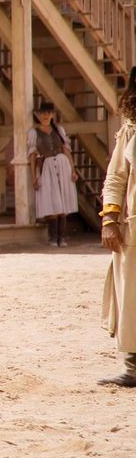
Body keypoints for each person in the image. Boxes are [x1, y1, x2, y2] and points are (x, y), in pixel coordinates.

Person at [101, 73, 136, 386]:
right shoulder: (130, 131)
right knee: (131, 299)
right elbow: (116, 177)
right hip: (134, 229)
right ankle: (133, 368)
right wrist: (110, 220)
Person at [30, 102, 76, 247]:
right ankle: (53, 237)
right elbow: (32, 156)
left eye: (48, 113)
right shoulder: (34, 133)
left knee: (63, 201)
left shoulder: (59, 130)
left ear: (52, 115)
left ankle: (62, 237)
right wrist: (34, 177)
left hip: (62, 165)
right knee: (51, 201)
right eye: (43, 113)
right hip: (47, 167)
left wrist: (73, 170)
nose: (46, 116)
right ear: (38, 115)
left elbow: (66, 150)